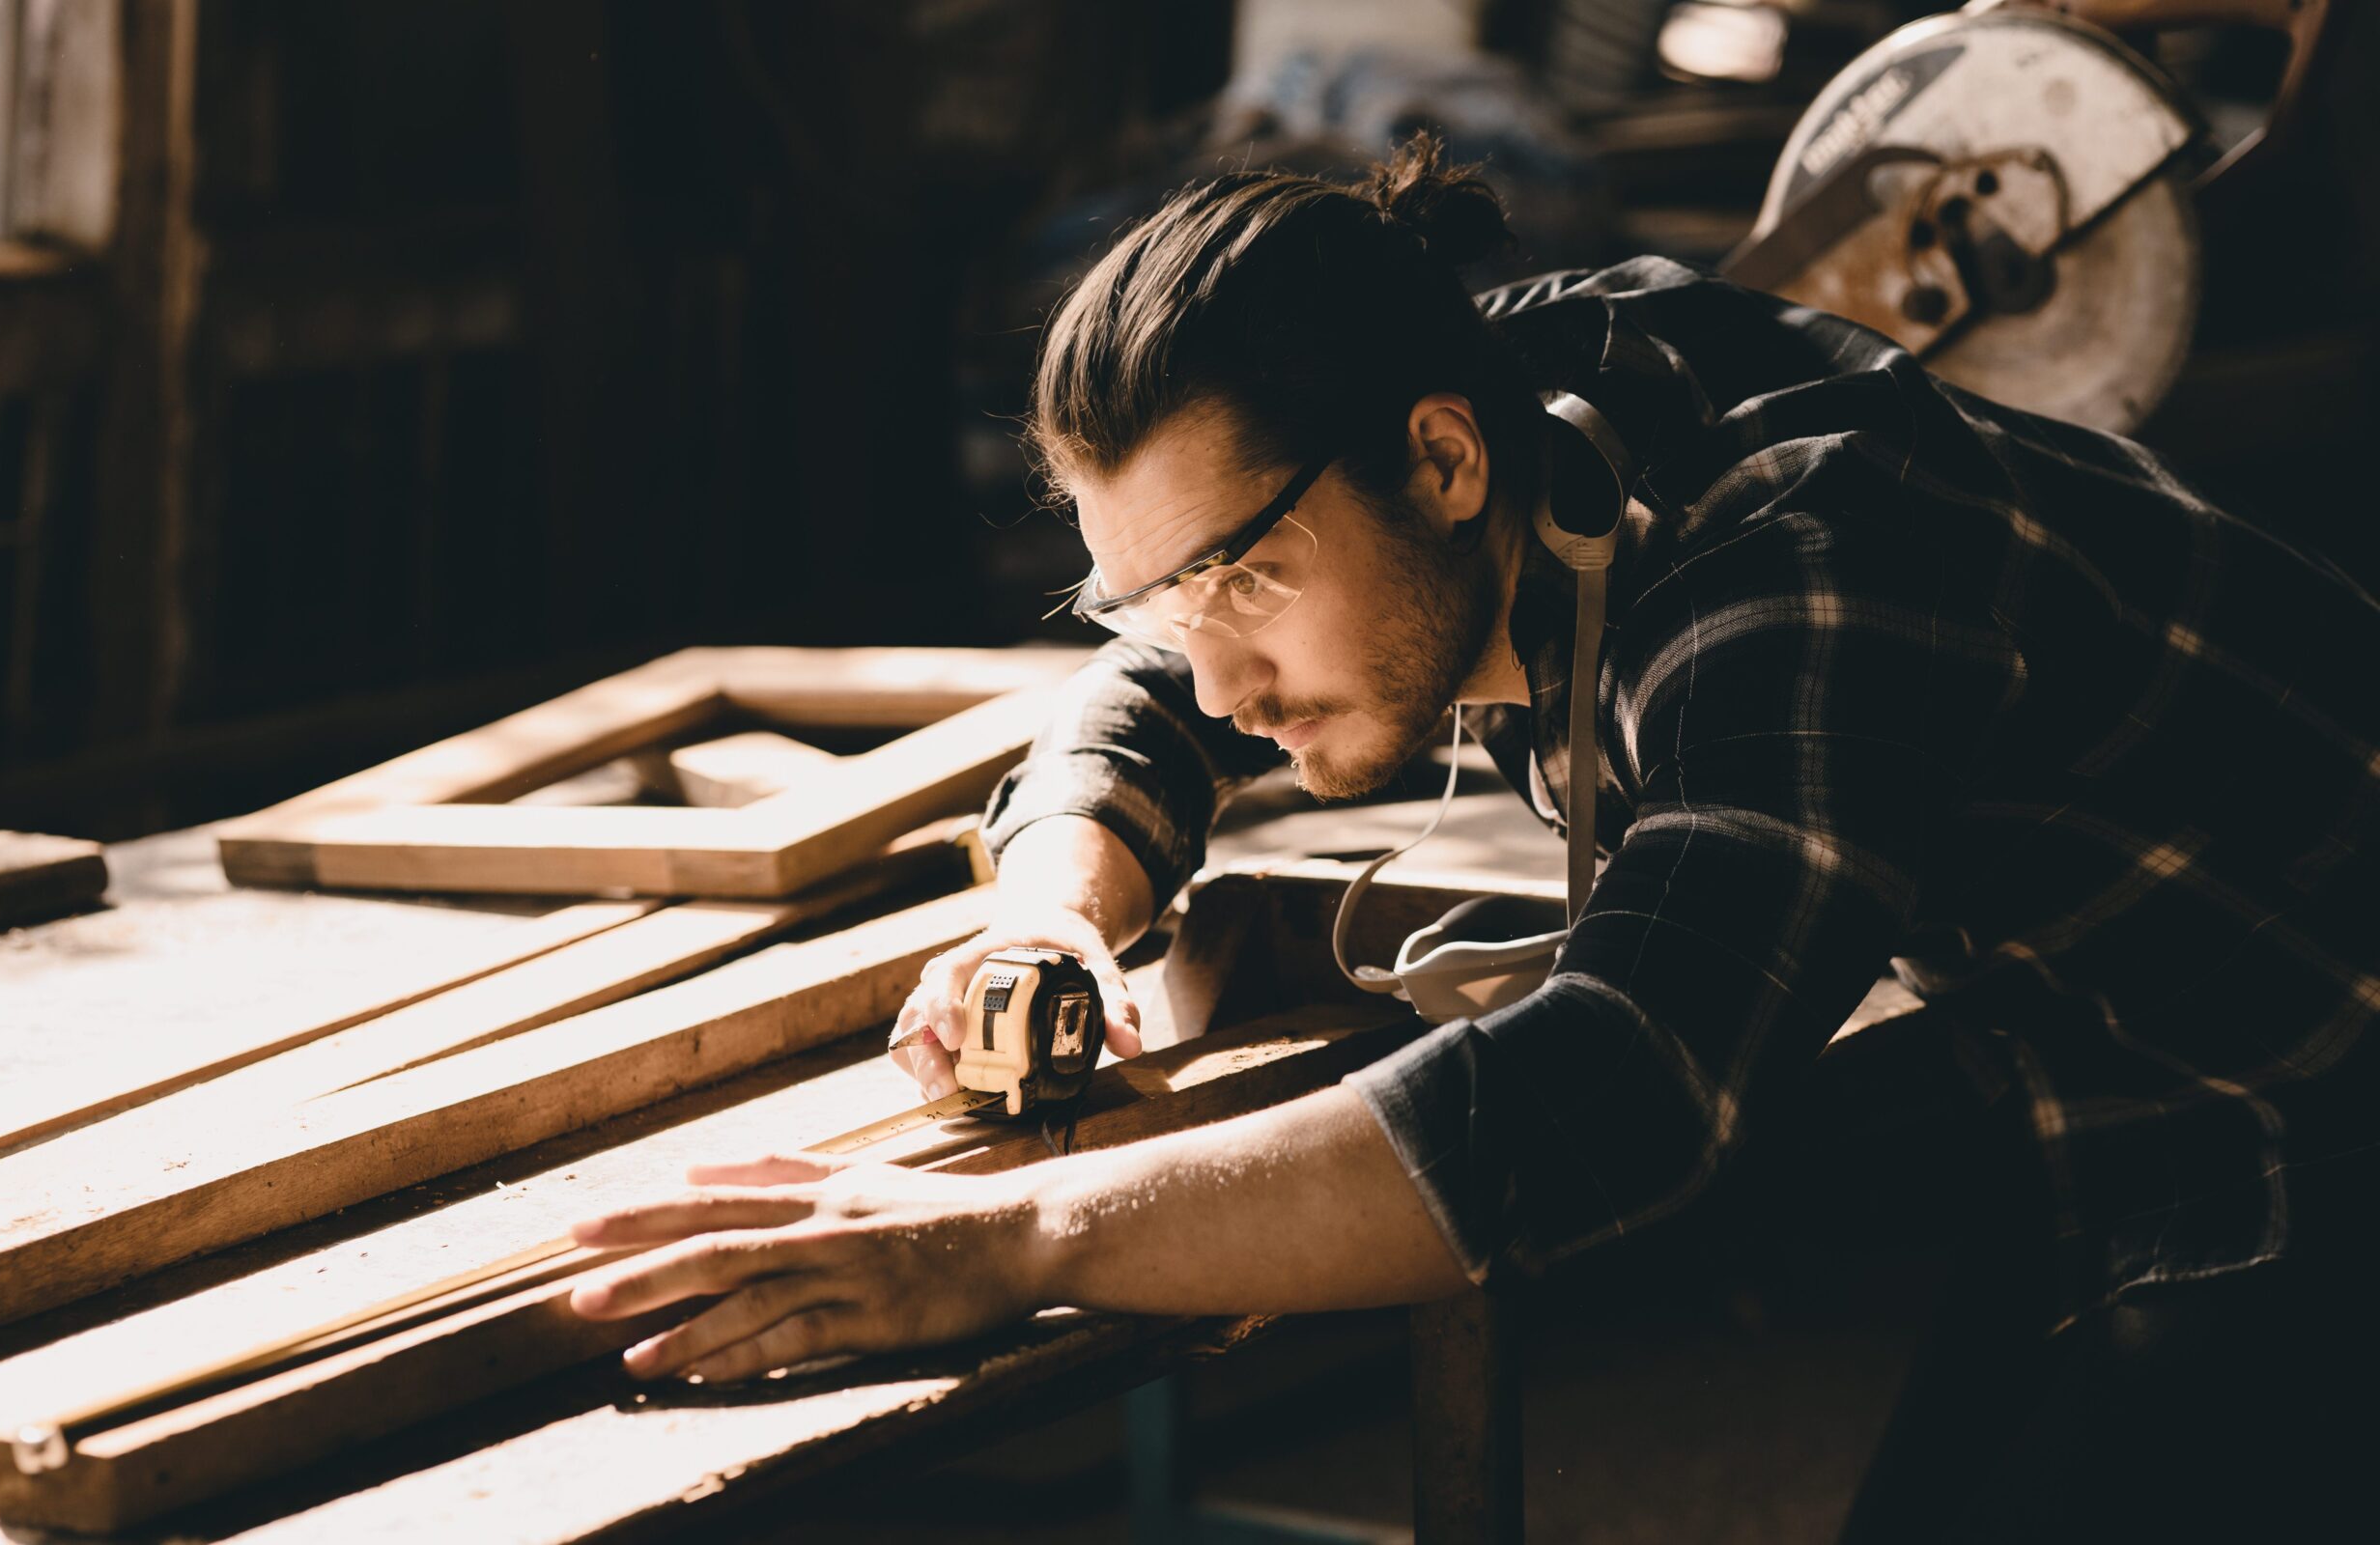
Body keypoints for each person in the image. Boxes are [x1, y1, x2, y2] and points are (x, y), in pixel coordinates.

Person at [568, 135, 2380, 1536]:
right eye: (1165, 603)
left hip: (2311, 1108)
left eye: (1248, 584)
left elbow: (1629, 1080)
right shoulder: (1488, 387)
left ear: (1441, 465)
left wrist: (1009, 1237)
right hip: (2123, 1078)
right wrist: (1052, 917)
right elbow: (1147, 699)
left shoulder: (1802, 553)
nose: (1219, 680)